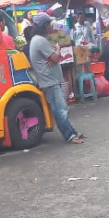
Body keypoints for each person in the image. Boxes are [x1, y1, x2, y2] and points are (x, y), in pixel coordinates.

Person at [28, 13, 86, 145]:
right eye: (49, 24)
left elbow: (52, 58)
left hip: (50, 80)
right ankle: (69, 135)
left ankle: (73, 132)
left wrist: (54, 55)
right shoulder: (40, 40)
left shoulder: (38, 39)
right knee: (60, 109)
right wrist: (58, 50)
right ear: (45, 25)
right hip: (49, 80)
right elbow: (54, 58)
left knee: (61, 108)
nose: (51, 26)